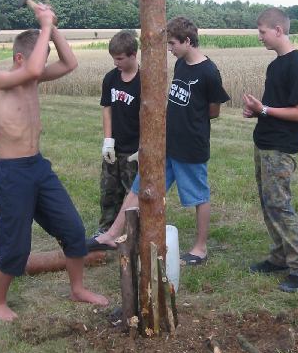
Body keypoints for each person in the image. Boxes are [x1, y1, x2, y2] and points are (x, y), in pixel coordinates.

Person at [0, 3, 109, 321]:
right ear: (18, 59)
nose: (40, 71)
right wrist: (43, 26)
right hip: (13, 173)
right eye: (35, 63)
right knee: (16, 246)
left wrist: (52, 27)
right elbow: (31, 70)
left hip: (38, 168)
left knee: (72, 229)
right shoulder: (0, 80)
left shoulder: (33, 79)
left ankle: (77, 289)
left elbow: (69, 62)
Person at [87, 16, 230, 264]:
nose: (169, 49)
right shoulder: (182, 65)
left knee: (198, 195)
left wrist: (189, 120)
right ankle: (111, 234)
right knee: (140, 188)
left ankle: (200, 248)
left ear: (187, 41)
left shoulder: (208, 72)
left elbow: (213, 110)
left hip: (191, 146)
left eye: (173, 44)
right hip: (168, 144)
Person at [243, 7, 298, 293]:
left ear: (278, 30)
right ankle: (280, 256)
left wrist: (266, 109)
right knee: (268, 203)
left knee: (280, 206)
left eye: (261, 31)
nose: (259, 37)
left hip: (281, 148)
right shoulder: (275, 65)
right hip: (264, 142)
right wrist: (257, 112)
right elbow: (273, 108)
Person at [95, 31, 140, 236]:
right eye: (113, 58)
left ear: (133, 54)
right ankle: (105, 230)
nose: (116, 63)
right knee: (109, 191)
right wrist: (108, 141)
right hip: (115, 146)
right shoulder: (111, 78)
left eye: (120, 58)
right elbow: (107, 108)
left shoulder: (144, 81)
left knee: (133, 193)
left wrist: (143, 146)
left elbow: (152, 116)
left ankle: (132, 232)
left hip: (134, 149)